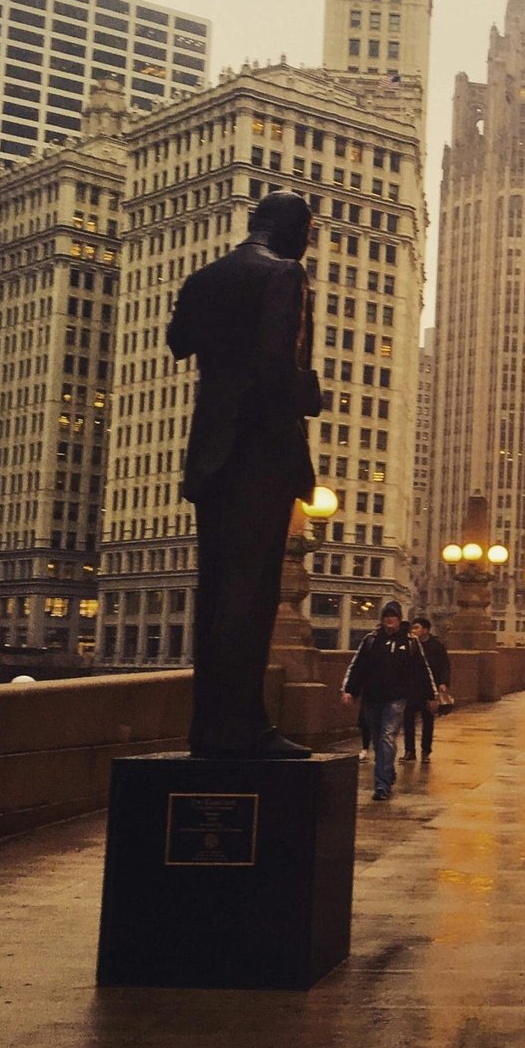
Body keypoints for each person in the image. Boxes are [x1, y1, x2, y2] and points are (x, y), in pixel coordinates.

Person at [167, 191, 323, 760]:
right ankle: (243, 728)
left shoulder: (205, 277)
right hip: (259, 451)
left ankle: (208, 727)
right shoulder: (284, 275)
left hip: (209, 450)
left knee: (215, 593)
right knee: (251, 596)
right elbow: (276, 367)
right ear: (290, 229)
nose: (308, 241)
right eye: (308, 230)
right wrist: (310, 393)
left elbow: (178, 341)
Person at [342, 601, 436, 801]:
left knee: (387, 737)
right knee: (378, 740)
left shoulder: (410, 642)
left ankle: (381, 786)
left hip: (396, 699)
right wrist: (349, 690)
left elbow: (422, 669)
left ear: (399, 619)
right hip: (372, 698)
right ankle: (388, 772)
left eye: (392, 617)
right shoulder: (371, 640)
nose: (389, 621)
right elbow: (357, 666)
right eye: (386, 617)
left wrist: (431, 695)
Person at [405, 616, 452, 761]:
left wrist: (443, 683)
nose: (413, 631)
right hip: (412, 688)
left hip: (429, 689)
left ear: (425, 630)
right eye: (412, 628)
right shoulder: (410, 644)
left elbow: (445, 665)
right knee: (408, 720)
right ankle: (409, 751)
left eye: (416, 628)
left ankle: (426, 751)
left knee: (428, 720)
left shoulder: (436, 645)